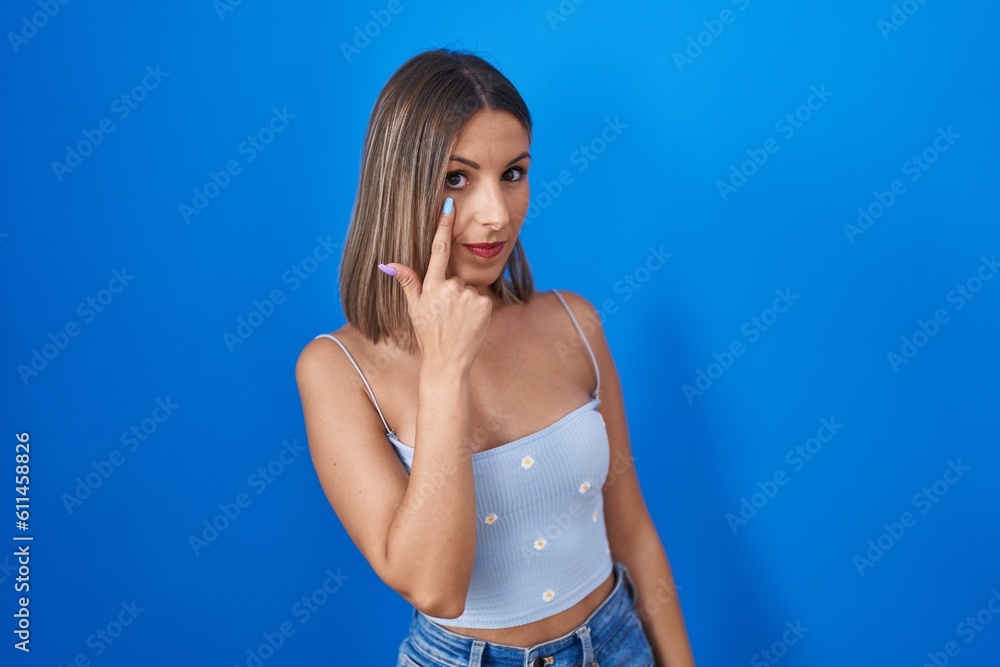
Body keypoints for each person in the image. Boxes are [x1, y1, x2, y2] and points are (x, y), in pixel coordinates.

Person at [295, 48, 695, 667]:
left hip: (619, 645)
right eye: (457, 179)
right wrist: (444, 368)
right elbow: (435, 588)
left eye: (513, 173)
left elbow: (633, 533)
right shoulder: (336, 370)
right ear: (399, 186)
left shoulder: (574, 323)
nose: (496, 214)